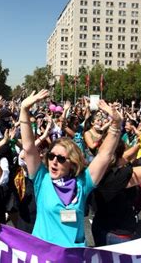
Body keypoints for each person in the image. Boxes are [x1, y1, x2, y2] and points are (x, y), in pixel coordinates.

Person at [20, 90, 122, 247]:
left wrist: (116, 124)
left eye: (60, 159)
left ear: (72, 163)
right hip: (43, 254)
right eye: (51, 156)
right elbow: (28, 147)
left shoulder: (83, 182)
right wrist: (24, 110)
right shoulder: (42, 178)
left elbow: (104, 156)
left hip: (73, 256)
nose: (54, 161)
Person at [92, 120, 141, 246]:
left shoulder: (98, 168)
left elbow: (125, 157)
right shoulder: (118, 177)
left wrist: (139, 143)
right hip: (117, 234)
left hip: (101, 225)